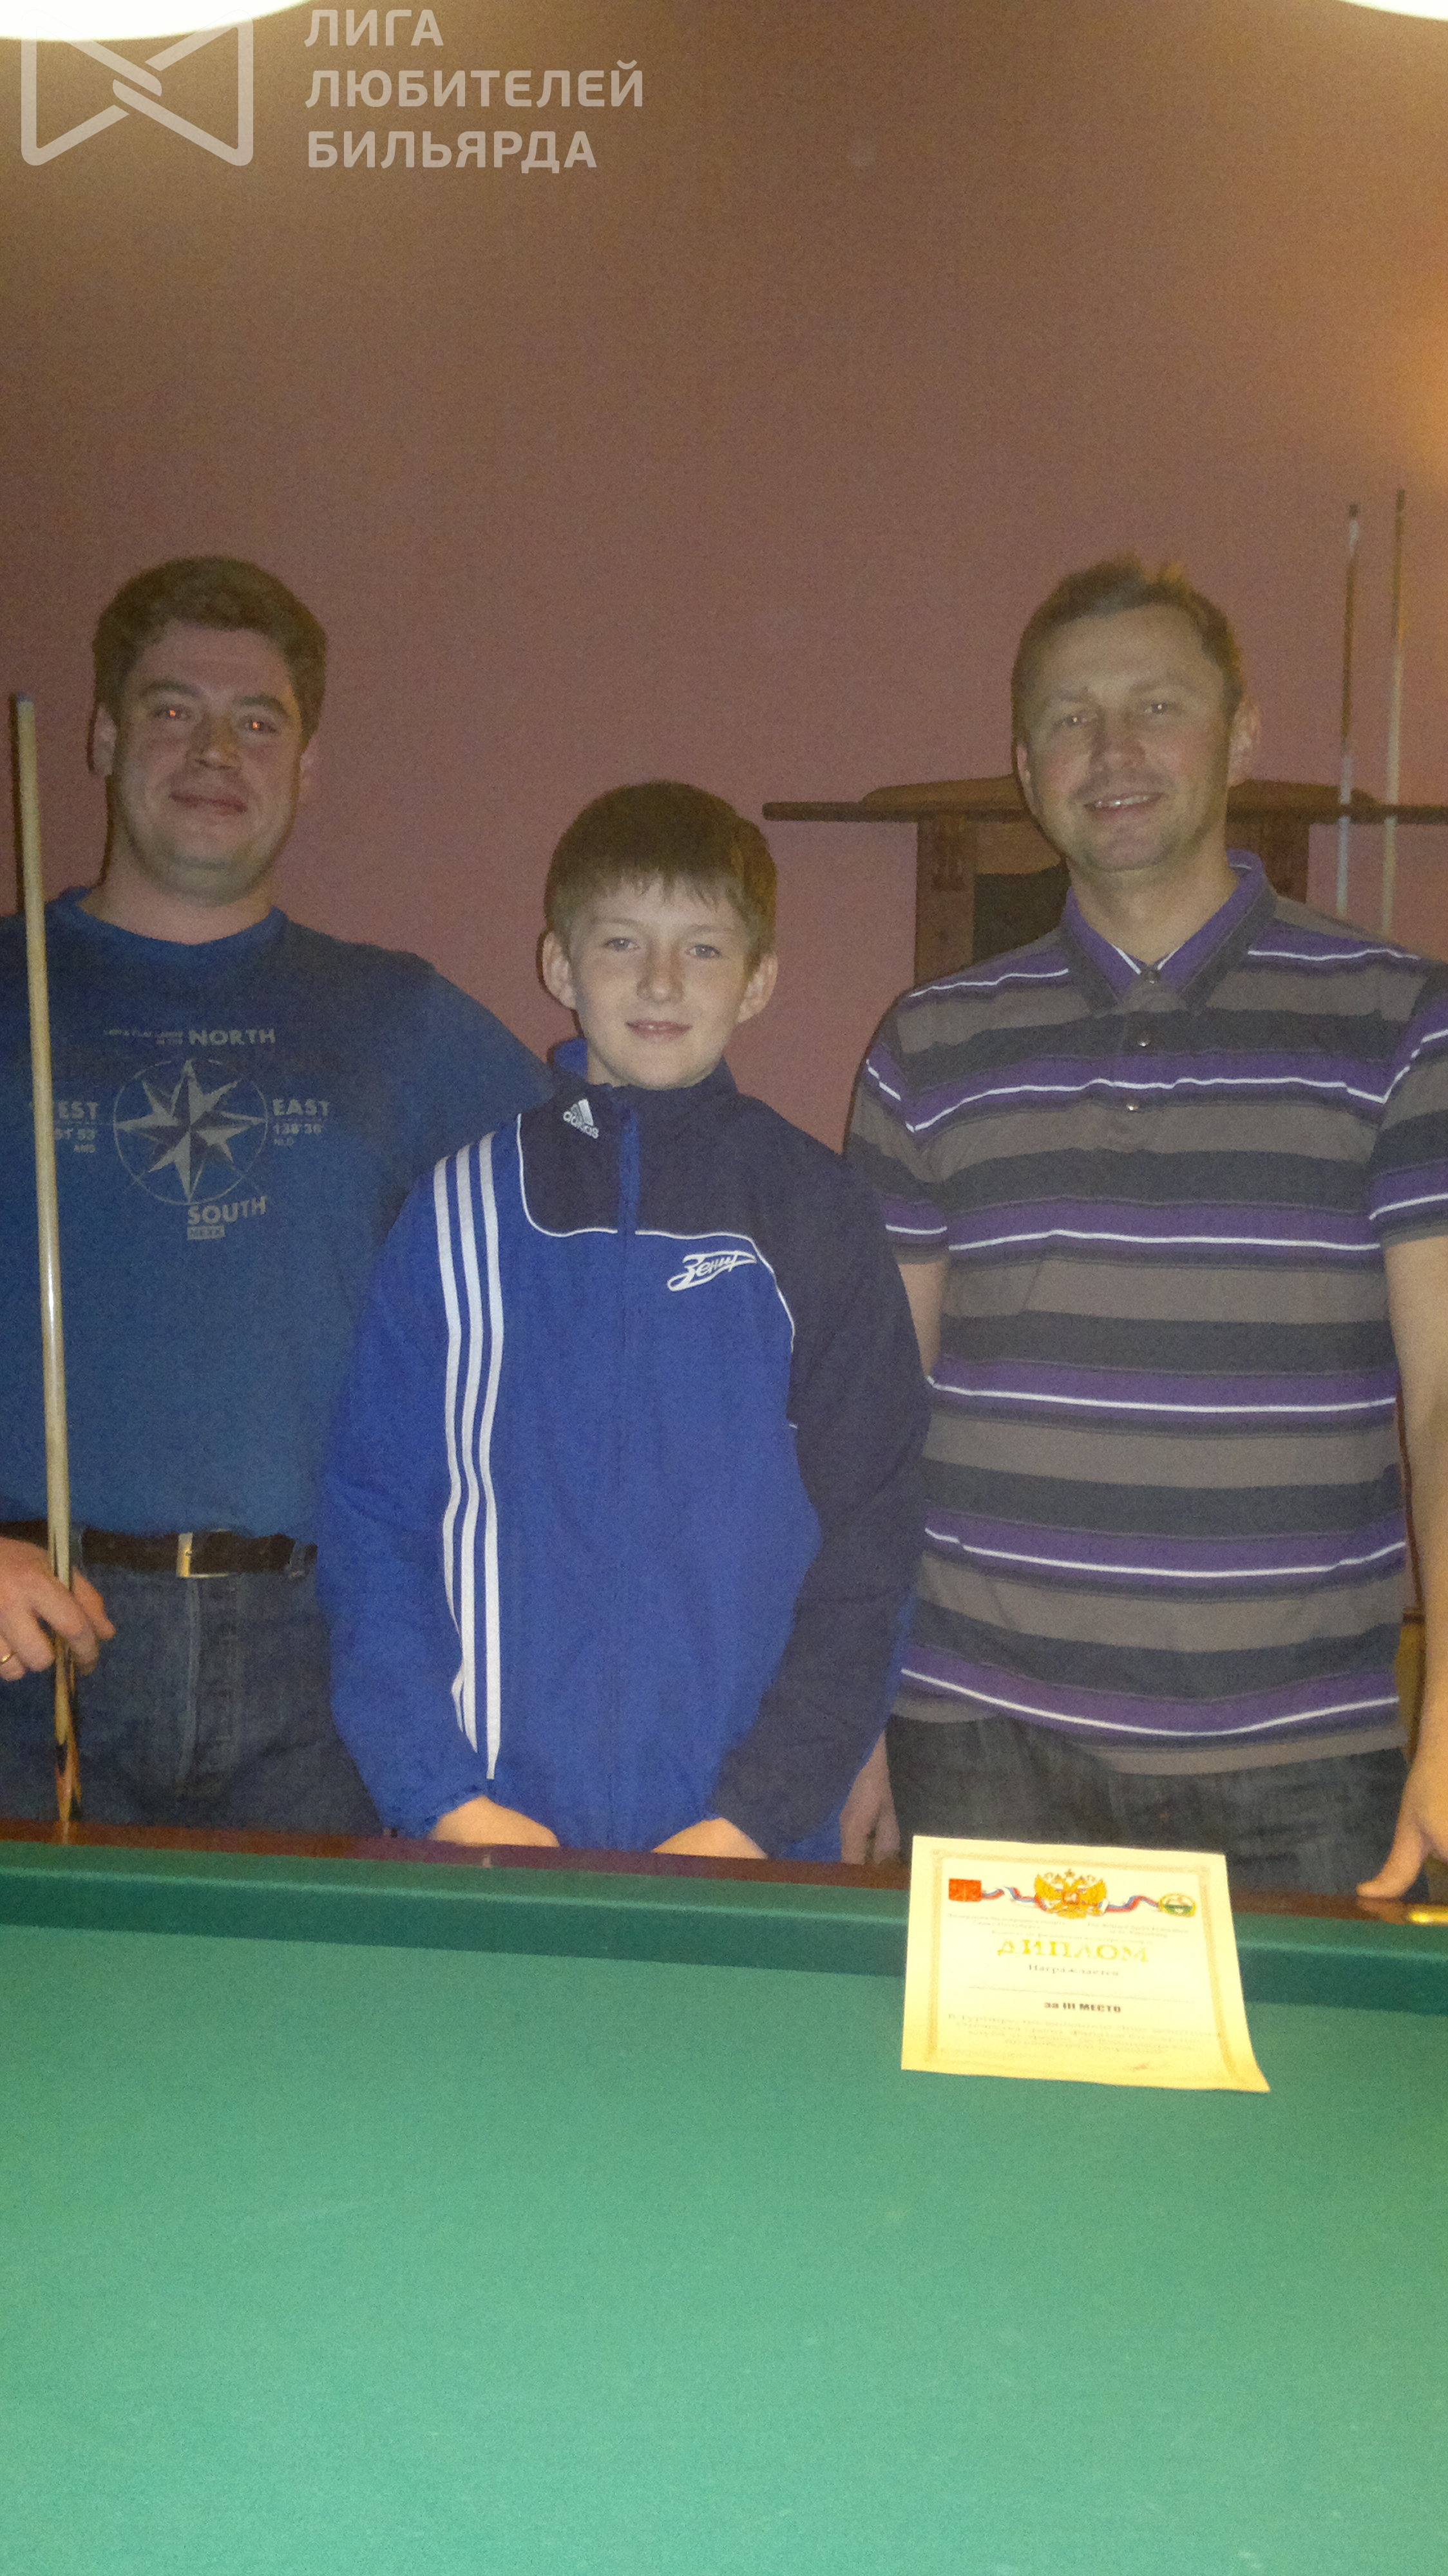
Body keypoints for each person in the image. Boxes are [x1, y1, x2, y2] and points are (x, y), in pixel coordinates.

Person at [848, 554, 1448, 1899]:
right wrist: (854, 1712)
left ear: (1241, 731)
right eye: (1070, 717)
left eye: (1157, 705)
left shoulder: (1401, 1021)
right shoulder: (926, 1045)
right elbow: (873, 1421)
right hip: (977, 1741)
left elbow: (1442, 1400)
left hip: (1300, 1761)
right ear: (1026, 767)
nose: (1112, 749)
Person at [0, 556, 550, 1828]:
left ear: (306, 765)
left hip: (324, 1656)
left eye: (258, 721)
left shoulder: (399, 1017)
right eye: (171, 709)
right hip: (31, 1649)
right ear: (101, 737)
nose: (214, 751)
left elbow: (617, 1210)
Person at [320, 781, 927, 1857]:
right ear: (560, 966)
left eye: (703, 948)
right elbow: (377, 1518)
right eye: (620, 942)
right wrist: (440, 1795)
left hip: (743, 1846)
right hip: (486, 1828)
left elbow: (872, 1541)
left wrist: (756, 1817)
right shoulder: (458, 1213)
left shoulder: (815, 1214)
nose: (660, 980)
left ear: (758, 980)